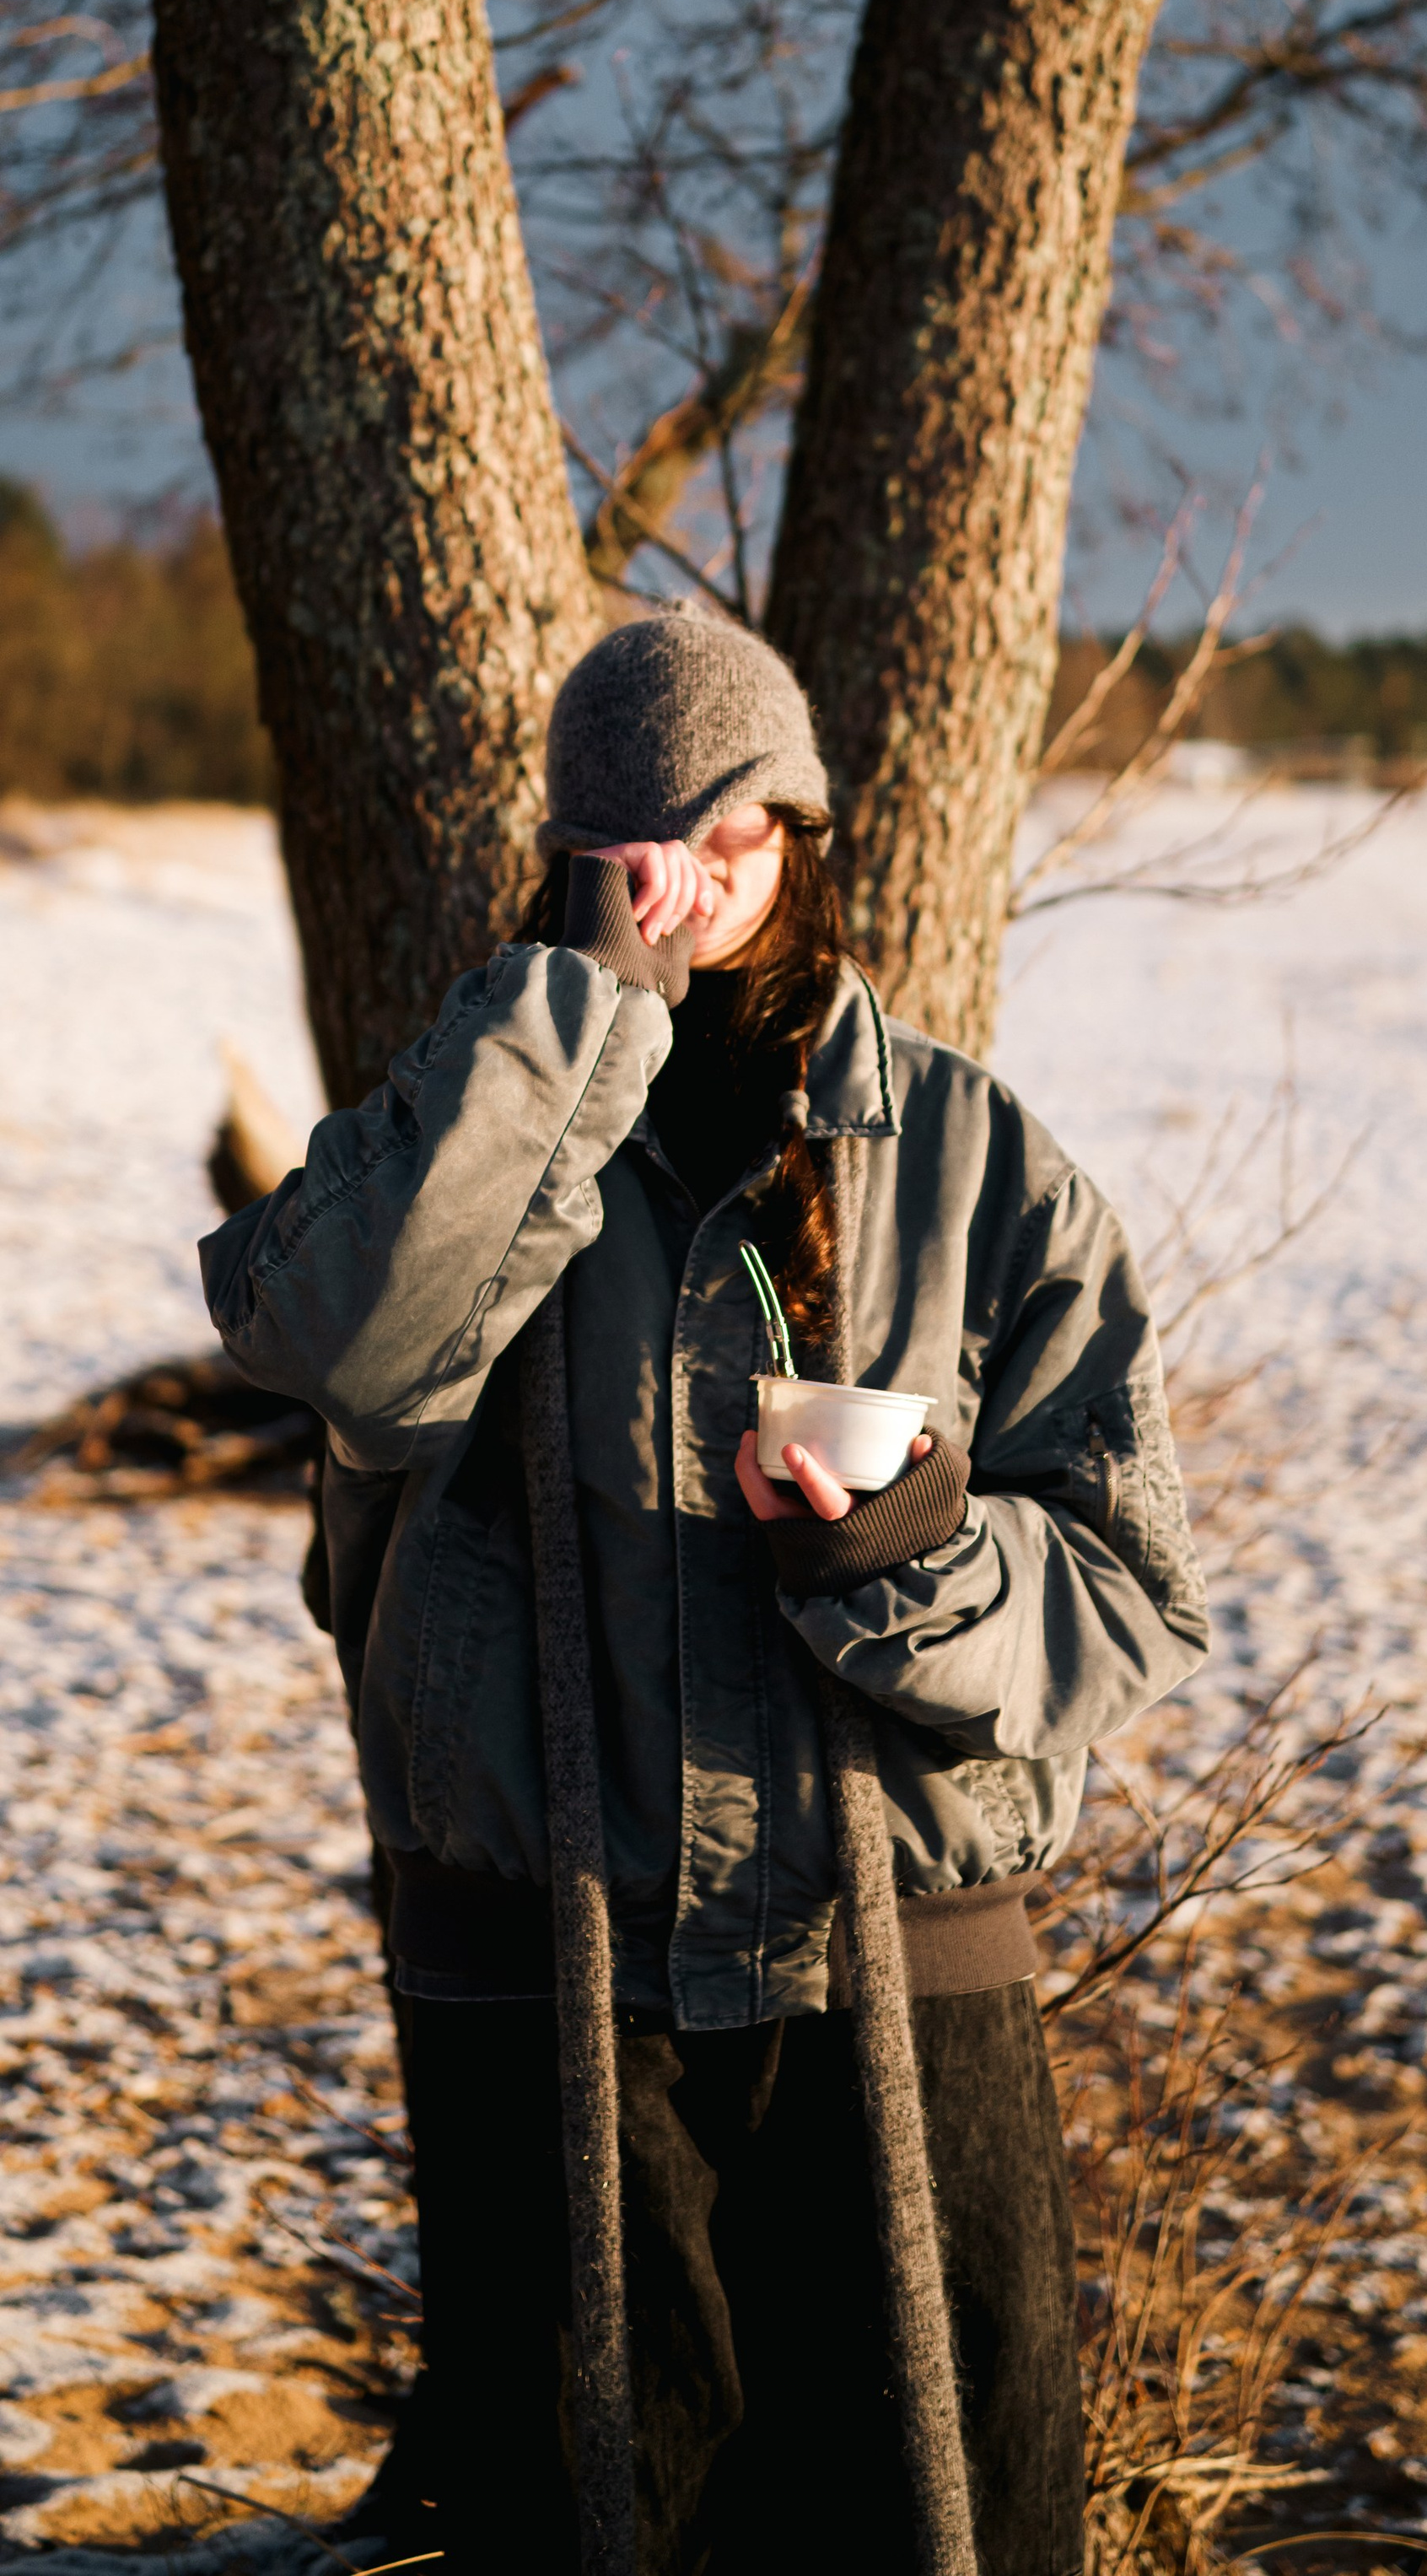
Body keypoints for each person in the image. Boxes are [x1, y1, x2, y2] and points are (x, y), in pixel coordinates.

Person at [200, 606, 1209, 2576]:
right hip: (544, 1970)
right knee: (593, 2519)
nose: (699, 874)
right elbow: (345, 1350)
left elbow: (1131, 1590)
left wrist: (905, 1549)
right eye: (652, 837)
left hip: (898, 1970)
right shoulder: (465, 1112)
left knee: (937, 2513)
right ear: (583, 853)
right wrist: (582, 1013)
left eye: (740, 830)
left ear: (805, 832)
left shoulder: (971, 1158)